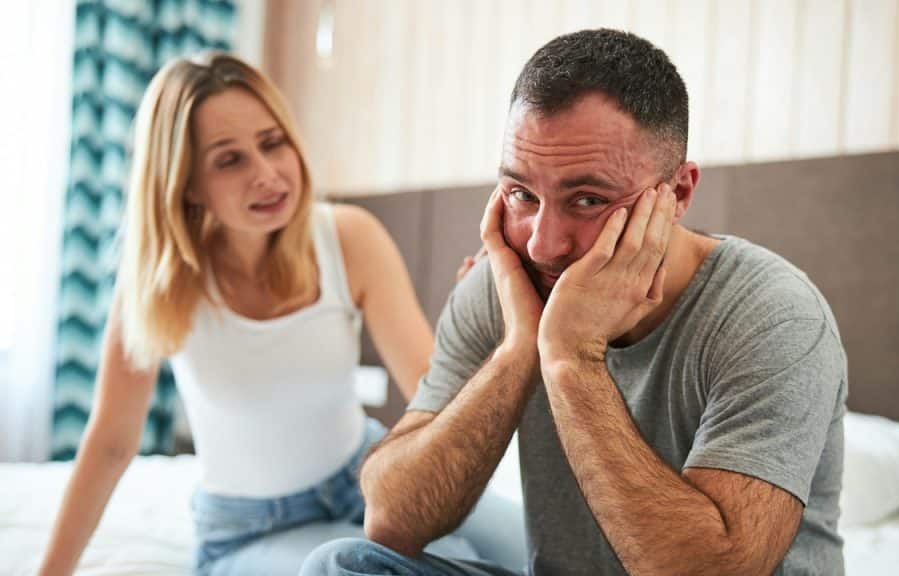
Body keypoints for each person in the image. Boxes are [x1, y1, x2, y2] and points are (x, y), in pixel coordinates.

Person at [301, 29, 848, 576]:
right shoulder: (508, 285)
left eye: (588, 200)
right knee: (343, 566)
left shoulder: (773, 314)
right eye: (522, 194)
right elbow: (393, 519)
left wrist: (570, 358)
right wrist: (520, 348)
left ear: (678, 193)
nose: (543, 243)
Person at [39, 53, 466, 575]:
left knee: (532, 553)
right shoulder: (159, 285)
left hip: (369, 475)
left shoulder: (348, 238)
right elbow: (110, 444)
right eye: (229, 160)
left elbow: (434, 396)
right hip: (250, 530)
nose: (267, 175)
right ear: (187, 184)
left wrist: (481, 333)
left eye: (272, 143)